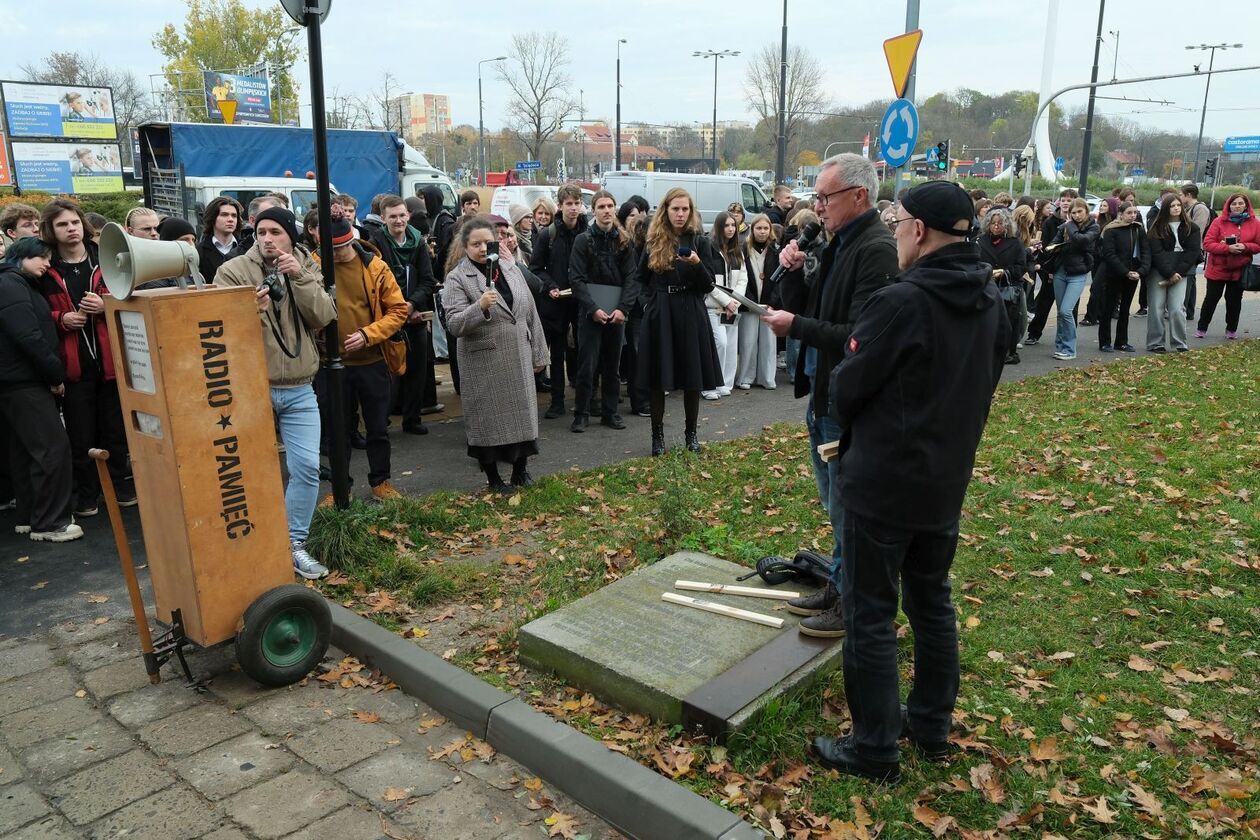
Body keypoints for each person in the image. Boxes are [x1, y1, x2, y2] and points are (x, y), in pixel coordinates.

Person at [810, 179, 1006, 783]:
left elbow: (846, 387)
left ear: (918, 230)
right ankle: (930, 724)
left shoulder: (902, 301)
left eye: (898, 224)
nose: (895, 234)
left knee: (870, 612)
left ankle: (874, 748)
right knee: (931, 603)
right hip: (944, 480)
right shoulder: (991, 299)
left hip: (883, 482)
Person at [763, 154, 898, 637]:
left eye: (825, 197)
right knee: (834, 503)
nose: (817, 207)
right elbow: (815, 309)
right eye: (816, 197)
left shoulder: (876, 250)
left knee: (849, 510)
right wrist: (795, 273)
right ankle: (839, 584)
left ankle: (850, 603)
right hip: (824, 394)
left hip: (849, 403)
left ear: (858, 196)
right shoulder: (837, 242)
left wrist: (795, 325)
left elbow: (859, 336)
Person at [214, 207, 337, 578]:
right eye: (261, 232)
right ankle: (255, 549)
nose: (267, 239)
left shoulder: (305, 264)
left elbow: (324, 316)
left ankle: (293, 545)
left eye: (275, 232)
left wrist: (299, 278)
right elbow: (216, 329)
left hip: (299, 387)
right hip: (253, 390)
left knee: (307, 468)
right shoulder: (233, 270)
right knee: (251, 474)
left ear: (290, 236)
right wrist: (247, 311)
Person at [39, 199, 133, 515]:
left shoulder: (107, 258)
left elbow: (132, 300)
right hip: (73, 365)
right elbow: (35, 313)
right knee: (80, 435)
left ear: (84, 224)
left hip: (110, 362)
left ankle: (119, 487)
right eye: (62, 224)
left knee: (115, 431)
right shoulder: (45, 268)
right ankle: (88, 494)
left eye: (75, 222)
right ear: (51, 230)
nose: (71, 229)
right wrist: (60, 319)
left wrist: (107, 307)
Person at [442, 217, 549, 492]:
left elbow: (530, 311)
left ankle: (520, 471)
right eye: (475, 244)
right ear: (465, 246)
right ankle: (493, 478)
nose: (481, 249)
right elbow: (454, 324)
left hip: (518, 354)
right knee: (488, 422)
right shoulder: (457, 278)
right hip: (484, 360)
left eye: (486, 243)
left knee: (522, 415)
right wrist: (479, 307)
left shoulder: (510, 269)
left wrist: (540, 355)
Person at [315, 217, 410, 501]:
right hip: (330, 364)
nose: (336, 254)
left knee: (378, 427)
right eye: (331, 249)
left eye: (342, 248)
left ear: (353, 240)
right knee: (336, 431)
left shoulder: (375, 266)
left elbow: (398, 310)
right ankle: (340, 489)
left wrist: (368, 335)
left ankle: (381, 482)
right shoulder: (313, 265)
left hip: (371, 361)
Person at [0, 238, 81, 542]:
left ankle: (30, 515)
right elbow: (29, 336)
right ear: (21, 256)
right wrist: (55, 374)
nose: (47, 263)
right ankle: (51, 522)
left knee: (25, 450)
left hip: (16, 381)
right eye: (41, 257)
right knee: (52, 448)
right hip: (24, 380)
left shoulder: (14, 283)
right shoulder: (12, 284)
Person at [637, 187, 722, 455]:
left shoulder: (700, 241)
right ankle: (657, 437)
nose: (680, 214)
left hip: (691, 309)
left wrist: (696, 264)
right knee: (657, 377)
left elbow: (709, 285)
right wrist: (648, 304)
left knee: (692, 376)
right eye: (675, 208)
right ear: (666, 210)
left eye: (685, 209)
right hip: (661, 311)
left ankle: (691, 434)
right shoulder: (654, 240)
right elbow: (640, 279)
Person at [568, 190, 639, 432]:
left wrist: (622, 309)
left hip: (617, 314)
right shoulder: (583, 240)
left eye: (610, 206)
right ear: (593, 210)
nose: (606, 210)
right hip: (590, 313)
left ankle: (610, 413)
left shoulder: (624, 241)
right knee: (587, 366)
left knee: (613, 367)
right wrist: (593, 309)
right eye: (601, 206)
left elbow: (632, 278)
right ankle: (581, 414)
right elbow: (576, 279)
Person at [369, 195, 438, 435]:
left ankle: (412, 419)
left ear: (408, 215)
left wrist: (412, 305)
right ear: (383, 218)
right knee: (386, 373)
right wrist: (396, 310)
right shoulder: (375, 243)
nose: (398, 220)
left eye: (401, 215)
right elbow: (374, 282)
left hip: (414, 315)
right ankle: (381, 422)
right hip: (387, 317)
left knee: (417, 370)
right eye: (393, 217)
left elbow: (428, 280)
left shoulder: (418, 242)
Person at [530, 184, 589, 419]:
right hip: (556, 302)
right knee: (557, 353)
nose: (573, 208)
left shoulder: (588, 233)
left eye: (577, 203)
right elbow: (536, 268)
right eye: (569, 204)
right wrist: (551, 286)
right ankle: (557, 402)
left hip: (582, 300)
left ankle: (585, 399)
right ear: (560, 205)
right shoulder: (548, 234)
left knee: (584, 350)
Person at [1197, 192, 1258, 340]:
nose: (1237, 206)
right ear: (1229, 206)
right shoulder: (1219, 221)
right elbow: (1207, 244)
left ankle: (1231, 329)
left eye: (1240, 203)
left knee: (1234, 301)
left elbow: (1258, 245)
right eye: (1234, 204)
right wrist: (1227, 248)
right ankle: (1202, 328)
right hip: (1218, 268)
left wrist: (1245, 246)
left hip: (1239, 269)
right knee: (1211, 298)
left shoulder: (1255, 223)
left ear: (1246, 205)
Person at [1147, 196, 1202, 353]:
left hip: (1181, 271)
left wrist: (1178, 273)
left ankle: (1179, 343)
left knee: (1177, 308)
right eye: (1172, 206)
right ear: (1166, 208)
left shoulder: (1192, 227)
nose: (1176, 208)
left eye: (1178, 205)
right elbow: (1156, 252)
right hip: (1158, 270)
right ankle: (1155, 343)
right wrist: (1169, 273)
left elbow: (1192, 252)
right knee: (1156, 308)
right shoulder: (1156, 227)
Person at [1047, 197, 1099, 361]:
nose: (1076, 215)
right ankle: (1060, 346)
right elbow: (1053, 244)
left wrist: (1069, 225)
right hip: (1061, 271)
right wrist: (1053, 248)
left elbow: (1082, 241)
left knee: (1066, 311)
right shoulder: (1064, 227)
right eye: (1073, 213)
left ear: (1086, 211)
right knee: (1060, 312)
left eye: (1079, 212)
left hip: (1078, 273)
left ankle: (1070, 349)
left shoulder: (1093, 227)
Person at [1025, 190, 1076, 346]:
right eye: (1063, 200)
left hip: (1073, 270)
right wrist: (1049, 270)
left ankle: (1069, 337)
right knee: (1044, 302)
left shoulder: (1081, 222)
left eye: (1069, 200)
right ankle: (1034, 333)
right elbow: (1046, 247)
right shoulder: (1050, 221)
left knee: (1071, 307)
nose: (1066, 203)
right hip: (1053, 269)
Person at [1097, 202, 1150, 353]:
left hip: (1134, 274)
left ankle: (1121, 341)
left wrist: (1141, 271)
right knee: (1109, 307)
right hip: (1114, 274)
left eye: (1135, 212)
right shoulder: (1111, 229)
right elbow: (1109, 254)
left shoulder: (1138, 229)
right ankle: (1105, 341)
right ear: (1121, 214)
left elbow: (1145, 251)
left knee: (1125, 309)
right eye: (1129, 213)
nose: (1133, 215)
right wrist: (1125, 271)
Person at [976, 208, 1027, 364]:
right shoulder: (979, 241)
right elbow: (973, 263)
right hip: (985, 287)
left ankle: (1009, 353)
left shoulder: (1015, 243)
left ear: (1006, 225)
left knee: (1009, 322)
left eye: (1000, 223)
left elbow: (1021, 267)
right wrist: (986, 272)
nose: (996, 226)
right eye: (993, 223)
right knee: (986, 321)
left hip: (1008, 289)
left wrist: (1004, 272)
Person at [702, 210, 743, 399]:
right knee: (720, 343)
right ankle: (710, 385)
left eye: (733, 225)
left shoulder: (736, 250)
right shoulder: (709, 248)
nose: (731, 229)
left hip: (732, 306)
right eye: (726, 225)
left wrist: (734, 301)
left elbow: (743, 278)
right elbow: (708, 281)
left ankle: (725, 383)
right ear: (719, 227)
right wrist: (726, 301)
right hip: (713, 305)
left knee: (731, 346)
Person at [737, 213, 780, 389]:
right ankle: (746, 377)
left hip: (769, 304)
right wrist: (750, 302)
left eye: (765, 228)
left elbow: (780, 281)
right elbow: (741, 278)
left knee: (769, 342)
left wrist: (772, 301)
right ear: (752, 229)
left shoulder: (775, 252)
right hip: (750, 303)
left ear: (770, 230)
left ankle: (767, 377)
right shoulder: (743, 250)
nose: (762, 232)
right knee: (748, 341)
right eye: (759, 228)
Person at [1179, 184, 1212, 322]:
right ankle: (1189, 311)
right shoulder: (1188, 208)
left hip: (1193, 249)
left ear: (1189, 195)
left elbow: (1197, 230)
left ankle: (1183, 310)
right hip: (1187, 248)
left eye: (1181, 195)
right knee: (1191, 280)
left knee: (1188, 279)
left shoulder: (1200, 209)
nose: (1179, 197)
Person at [197, 196, 244, 284]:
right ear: (212, 218)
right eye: (224, 215)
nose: (230, 219)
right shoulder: (200, 251)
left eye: (234, 216)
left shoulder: (246, 248)